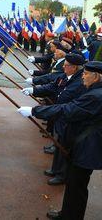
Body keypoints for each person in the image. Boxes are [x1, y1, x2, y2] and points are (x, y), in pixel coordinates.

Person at [17, 61, 102, 220]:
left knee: (76, 186)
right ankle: (68, 214)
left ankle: (71, 216)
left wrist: (34, 111)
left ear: (96, 76)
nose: (82, 75)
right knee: (74, 184)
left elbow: (68, 109)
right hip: (84, 143)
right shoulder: (94, 91)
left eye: (86, 73)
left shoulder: (95, 96)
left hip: (87, 147)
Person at [22, 53, 87, 186]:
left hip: (69, 118)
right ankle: (56, 169)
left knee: (65, 146)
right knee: (59, 143)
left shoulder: (79, 83)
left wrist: (35, 111)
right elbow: (52, 86)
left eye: (67, 65)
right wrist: (34, 90)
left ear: (74, 67)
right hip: (61, 115)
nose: (63, 66)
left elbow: (69, 103)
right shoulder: (66, 76)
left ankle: (62, 174)